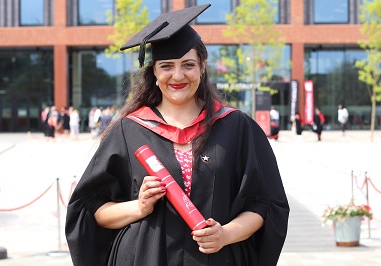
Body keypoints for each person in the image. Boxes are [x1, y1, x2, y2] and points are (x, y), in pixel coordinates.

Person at [65, 4, 289, 266]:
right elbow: (91, 210)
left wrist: (226, 234)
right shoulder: (130, 129)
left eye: (188, 64)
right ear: (155, 72)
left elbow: (266, 204)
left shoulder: (236, 126)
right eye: (167, 66)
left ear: (203, 66)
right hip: (144, 258)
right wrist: (139, 206)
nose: (178, 75)